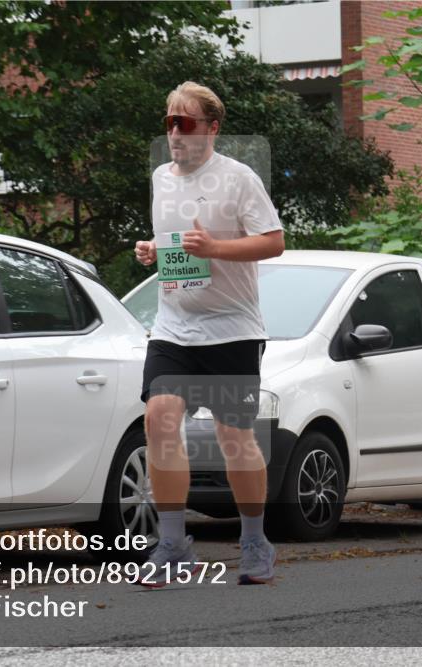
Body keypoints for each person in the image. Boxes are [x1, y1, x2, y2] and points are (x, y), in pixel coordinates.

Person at [133, 81, 285, 587]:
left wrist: (215, 250)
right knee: (159, 419)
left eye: (186, 122)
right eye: (168, 121)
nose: (175, 132)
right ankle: (173, 543)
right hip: (174, 326)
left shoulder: (238, 179)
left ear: (212, 128)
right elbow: (179, 240)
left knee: (234, 438)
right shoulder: (161, 177)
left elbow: (274, 242)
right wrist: (156, 252)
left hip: (231, 328)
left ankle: (255, 540)